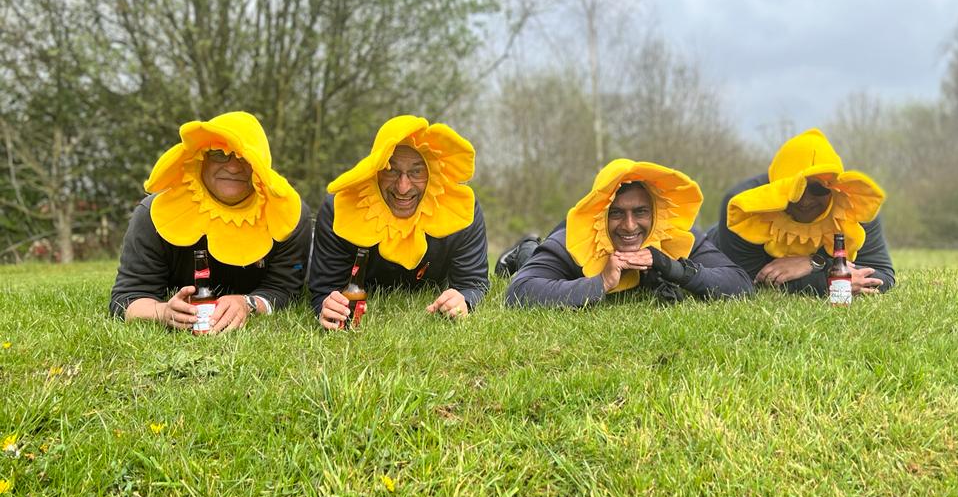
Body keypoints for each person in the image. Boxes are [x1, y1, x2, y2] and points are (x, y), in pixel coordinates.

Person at [110, 111, 312, 332]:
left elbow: (284, 291)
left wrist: (248, 303)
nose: (233, 167)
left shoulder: (288, 215)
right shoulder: (154, 214)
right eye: (219, 153)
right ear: (200, 158)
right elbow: (126, 298)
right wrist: (164, 311)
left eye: (244, 157)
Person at [309, 114, 489, 329]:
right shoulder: (339, 208)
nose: (403, 187)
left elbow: (473, 283)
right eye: (390, 170)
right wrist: (325, 306)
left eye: (416, 171)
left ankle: (521, 251)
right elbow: (324, 288)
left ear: (432, 172)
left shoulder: (460, 210)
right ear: (374, 170)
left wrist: (464, 299)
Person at [505, 159, 753, 307]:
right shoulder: (569, 240)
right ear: (601, 214)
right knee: (531, 257)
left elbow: (740, 284)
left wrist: (671, 267)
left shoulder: (676, 235)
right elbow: (519, 291)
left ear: (656, 212)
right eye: (616, 213)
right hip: (555, 245)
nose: (630, 225)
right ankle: (525, 247)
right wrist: (600, 283)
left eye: (641, 211)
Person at [708, 128, 895, 296]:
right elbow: (747, 283)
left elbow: (882, 275)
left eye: (818, 189)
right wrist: (832, 280)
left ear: (836, 188)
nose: (806, 201)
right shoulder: (743, 208)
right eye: (795, 192)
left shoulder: (854, 206)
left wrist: (814, 263)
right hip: (715, 250)